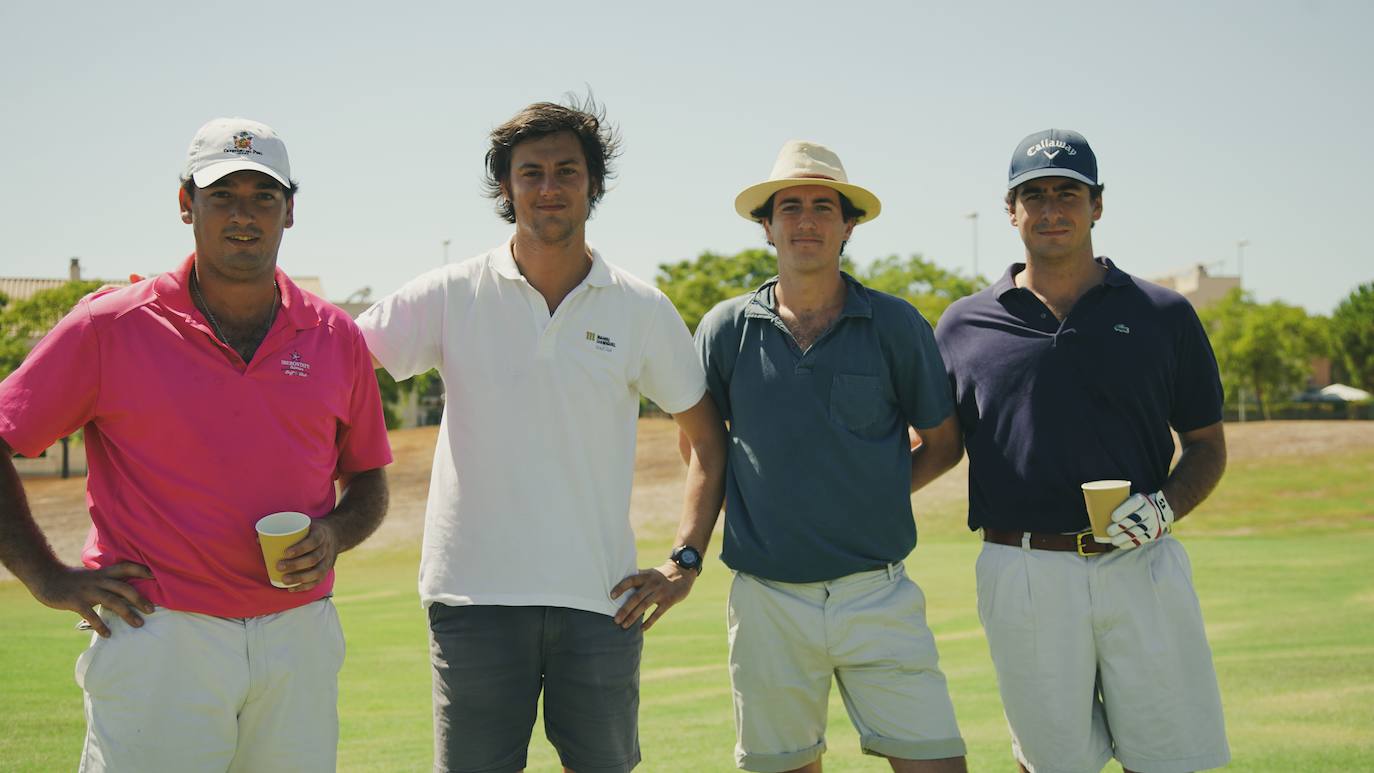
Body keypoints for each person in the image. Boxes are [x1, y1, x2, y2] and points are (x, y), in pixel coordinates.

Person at [0, 117, 392, 772]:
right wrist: (46, 576)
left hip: (298, 638)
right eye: (222, 195)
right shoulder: (110, 325)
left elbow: (370, 480)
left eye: (263, 196)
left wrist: (335, 534)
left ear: (289, 210)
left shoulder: (335, 335)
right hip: (160, 638)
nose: (245, 215)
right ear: (187, 204)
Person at [355, 98, 727, 773]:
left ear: (594, 184)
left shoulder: (639, 307)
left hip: (601, 603)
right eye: (530, 173)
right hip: (473, 599)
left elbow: (707, 435)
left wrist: (686, 560)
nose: (549, 188)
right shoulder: (451, 292)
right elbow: (337, 364)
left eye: (566, 171)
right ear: (506, 186)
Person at [935, 129, 1230, 772]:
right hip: (1023, 570)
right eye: (1032, 195)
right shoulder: (962, 324)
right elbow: (937, 446)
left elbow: (1206, 445)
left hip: (1143, 563)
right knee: (1050, 763)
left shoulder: (1164, 313)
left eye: (1067, 192)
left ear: (1098, 205)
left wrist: (1165, 508)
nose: (1050, 209)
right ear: (1010, 210)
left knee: (1172, 759)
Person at [691, 140, 968, 773]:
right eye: (789, 207)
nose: (806, 220)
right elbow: (703, 450)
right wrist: (690, 550)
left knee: (938, 764)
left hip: (879, 594)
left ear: (848, 225)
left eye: (824, 206)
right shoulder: (725, 328)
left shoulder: (897, 324)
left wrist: (875, 490)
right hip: (766, 603)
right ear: (767, 226)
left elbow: (945, 444)